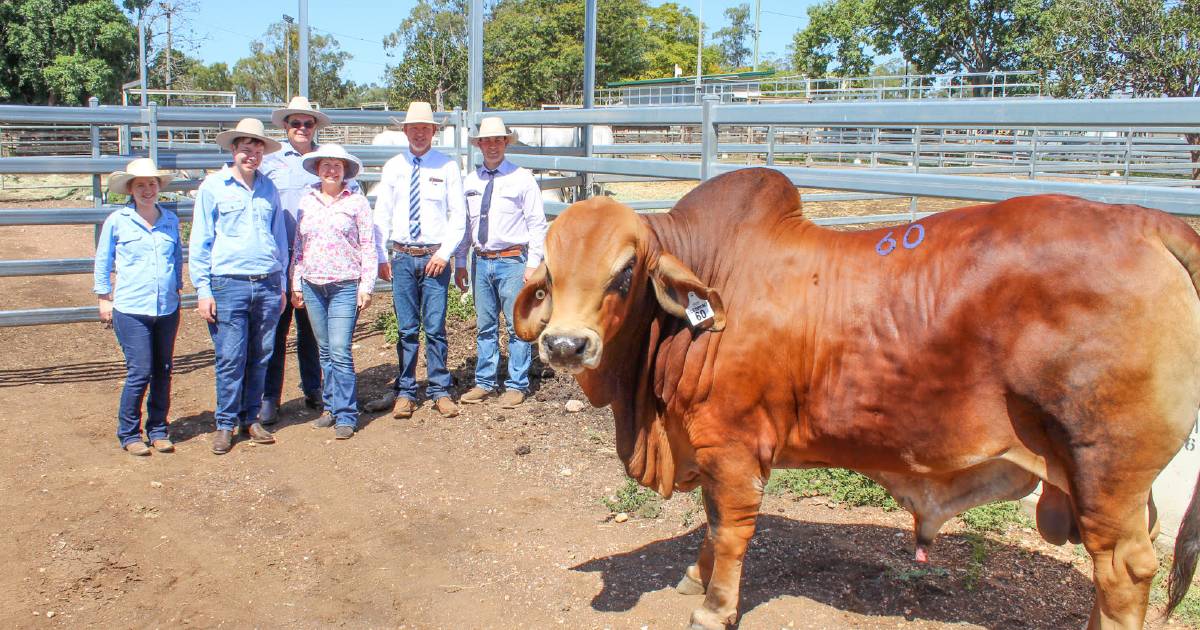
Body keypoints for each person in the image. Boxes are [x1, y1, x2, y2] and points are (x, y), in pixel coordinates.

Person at [190, 117, 289, 455]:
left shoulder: (268, 189)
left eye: (257, 148)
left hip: (266, 280)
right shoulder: (213, 188)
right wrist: (203, 289)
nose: (251, 154)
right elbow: (201, 240)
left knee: (261, 353)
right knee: (231, 356)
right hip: (228, 282)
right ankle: (225, 422)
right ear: (234, 150)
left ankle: (251, 417)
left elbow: (279, 238)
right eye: (246, 148)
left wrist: (282, 282)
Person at [259, 96, 356, 424]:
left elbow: (353, 202)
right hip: (280, 252)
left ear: (315, 127)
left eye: (307, 123)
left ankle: (315, 388)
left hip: (316, 256)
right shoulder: (269, 161)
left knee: (313, 332)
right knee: (276, 328)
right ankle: (270, 396)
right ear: (285, 127)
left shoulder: (326, 161)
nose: (301, 128)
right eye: (295, 123)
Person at [366, 101, 465, 419]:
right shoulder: (394, 167)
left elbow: (458, 215)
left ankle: (439, 389)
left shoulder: (447, 167)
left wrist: (444, 252)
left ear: (434, 132)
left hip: (434, 256)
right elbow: (381, 213)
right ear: (405, 131)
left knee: (435, 327)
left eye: (425, 128)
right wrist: (382, 254)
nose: (420, 133)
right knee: (407, 328)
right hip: (404, 256)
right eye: (414, 128)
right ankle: (406, 391)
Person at [454, 117, 548, 409]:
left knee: (517, 325)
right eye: (487, 140)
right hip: (481, 260)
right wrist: (460, 262)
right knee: (485, 325)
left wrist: (532, 264)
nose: (492, 145)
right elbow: (465, 226)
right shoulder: (471, 181)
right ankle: (485, 381)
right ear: (479, 144)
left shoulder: (521, 178)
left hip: (512, 260)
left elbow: (537, 223)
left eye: (498, 140)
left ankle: (517, 383)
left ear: (506, 143)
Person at [94, 158, 183, 456]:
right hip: (132, 307)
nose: (147, 190)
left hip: (166, 306)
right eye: (141, 185)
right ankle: (129, 432)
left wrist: (178, 288)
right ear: (130, 189)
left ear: (159, 187)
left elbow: (175, 259)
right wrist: (104, 297)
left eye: (152, 184)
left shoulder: (169, 219)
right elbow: (103, 260)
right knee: (140, 370)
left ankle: (158, 428)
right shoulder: (118, 221)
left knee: (164, 369)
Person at [290, 144, 376, 439]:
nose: (331, 170)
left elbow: (368, 244)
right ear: (317, 168)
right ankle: (331, 407)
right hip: (312, 283)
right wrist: (296, 282)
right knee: (324, 350)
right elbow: (299, 247)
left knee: (339, 350)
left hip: (344, 284)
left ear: (344, 171)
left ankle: (347, 413)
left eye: (336, 165)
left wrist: (366, 285)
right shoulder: (307, 202)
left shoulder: (357, 203)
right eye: (325, 164)